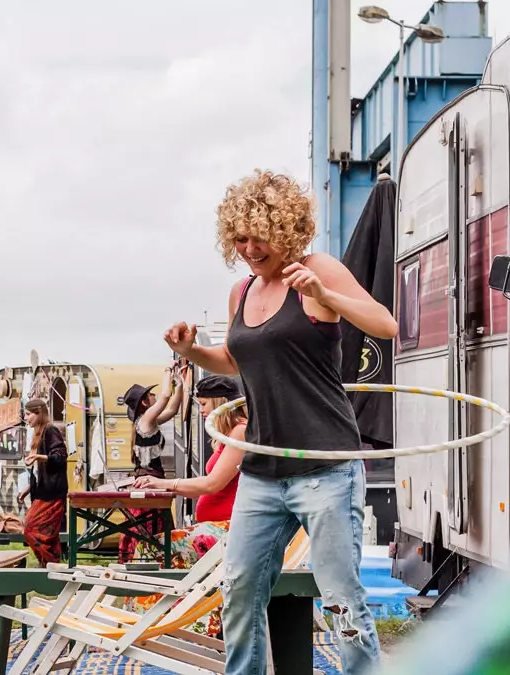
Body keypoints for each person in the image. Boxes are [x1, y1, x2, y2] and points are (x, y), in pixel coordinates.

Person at [164, 169, 397, 674]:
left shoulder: (315, 270)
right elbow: (233, 360)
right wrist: (190, 351)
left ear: (286, 227)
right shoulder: (241, 291)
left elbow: (386, 324)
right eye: (240, 238)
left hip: (325, 466)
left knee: (339, 598)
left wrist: (326, 295)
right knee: (239, 588)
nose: (249, 247)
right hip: (263, 471)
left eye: (259, 235)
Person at [127, 374, 247, 636]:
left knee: (150, 548)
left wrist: (164, 484)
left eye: (204, 404)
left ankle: (147, 625)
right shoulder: (228, 435)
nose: (201, 411)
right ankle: (176, 621)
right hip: (218, 528)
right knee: (159, 551)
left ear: (220, 403)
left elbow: (212, 484)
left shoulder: (241, 431)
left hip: (230, 531)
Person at [117, 367, 184, 563]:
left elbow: (172, 409)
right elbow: (165, 397)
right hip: (149, 480)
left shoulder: (148, 421)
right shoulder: (145, 419)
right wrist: (168, 372)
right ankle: (149, 561)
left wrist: (179, 385)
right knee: (150, 527)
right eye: (150, 395)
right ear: (145, 402)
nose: (154, 395)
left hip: (151, 478)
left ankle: (155, 561)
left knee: (154, 525)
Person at [20, 399, 68, 565]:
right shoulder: (38, 433)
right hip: (42, 491)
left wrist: (39, 456)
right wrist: (27, 489)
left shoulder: (50, 430)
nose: (26, 418)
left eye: (28, 414)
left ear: (39, 412)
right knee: (49, 535)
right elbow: (39, 471)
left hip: (52, 493)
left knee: (31, 529)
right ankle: (52, 567)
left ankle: (48, 564)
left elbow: (60, 457)